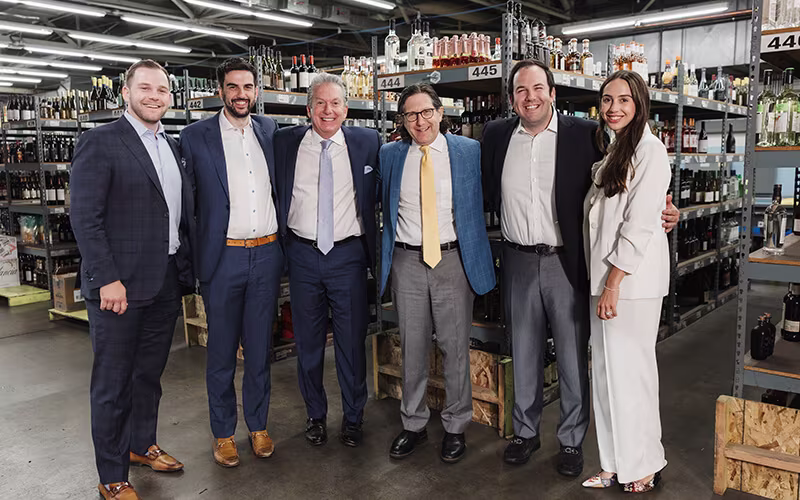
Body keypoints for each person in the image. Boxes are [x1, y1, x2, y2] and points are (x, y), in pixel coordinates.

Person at [481, 59, 678, 476]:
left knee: (573, 356)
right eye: (521, 90)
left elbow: (633, 186)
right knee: (524, 349)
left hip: (567, 260)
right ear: (511, 98)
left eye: (538, 88)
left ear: (553, 94)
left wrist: (666, 209)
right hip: (517, 258)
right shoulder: (496, 135)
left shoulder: (586, 134)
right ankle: (525, 432)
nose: (530, 97)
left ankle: (571, 441)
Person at [71, 59, 195, 500]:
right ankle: (112, 475)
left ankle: (142, 444)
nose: (154, 96)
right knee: (113, 382)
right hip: (118, 287)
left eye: (162, 90)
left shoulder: (172, 145)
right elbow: (85, 216)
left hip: (164, 279)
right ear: (126, 93)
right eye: (145, 88)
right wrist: (107, 278)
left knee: (148, 374)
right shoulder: (100, 141)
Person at [380, 83, 495, 464]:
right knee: (411, 347)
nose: (420, 121)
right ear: (402, 120)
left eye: (426, 112)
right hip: (407, 261)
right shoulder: (390, 155)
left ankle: (455, 426)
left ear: (440, 112)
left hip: (452, 260)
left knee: (454, 346)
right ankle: (413, 424)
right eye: (411, 114)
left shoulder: (468, 151)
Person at [180, 57, 283, 468]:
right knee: (221, 352)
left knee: (259, 350)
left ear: (256, 90)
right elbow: (188, 205)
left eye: (248, 87)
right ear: (220, 91)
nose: (241, 94)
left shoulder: (269, 130)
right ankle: (223, 433)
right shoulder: (194, 136)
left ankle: (258, 425)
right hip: (223, 257)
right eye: (233, 87)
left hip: (268, 253)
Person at [274, 72, 380, 448]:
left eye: (335, 103)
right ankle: (315, 415)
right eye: (320, 103)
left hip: (348, 255)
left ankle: (353, 417)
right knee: (308, 342)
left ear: (346, 109)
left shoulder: (368, 142)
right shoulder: (285, 143)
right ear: (308, 109)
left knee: (351, 341)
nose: (328, 110)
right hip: (302, 254)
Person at [581, 70, 669, 493]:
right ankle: (614, 462)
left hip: (630, 285)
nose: (613, 108)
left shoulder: (651, 151)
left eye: (623, 100)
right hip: (604, 280)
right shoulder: (615, 149)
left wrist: (613, 284)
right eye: (607, 99)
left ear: (639, 105)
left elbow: (639, 224)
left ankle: (645, 464)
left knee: (633, 375)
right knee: (607, 375)